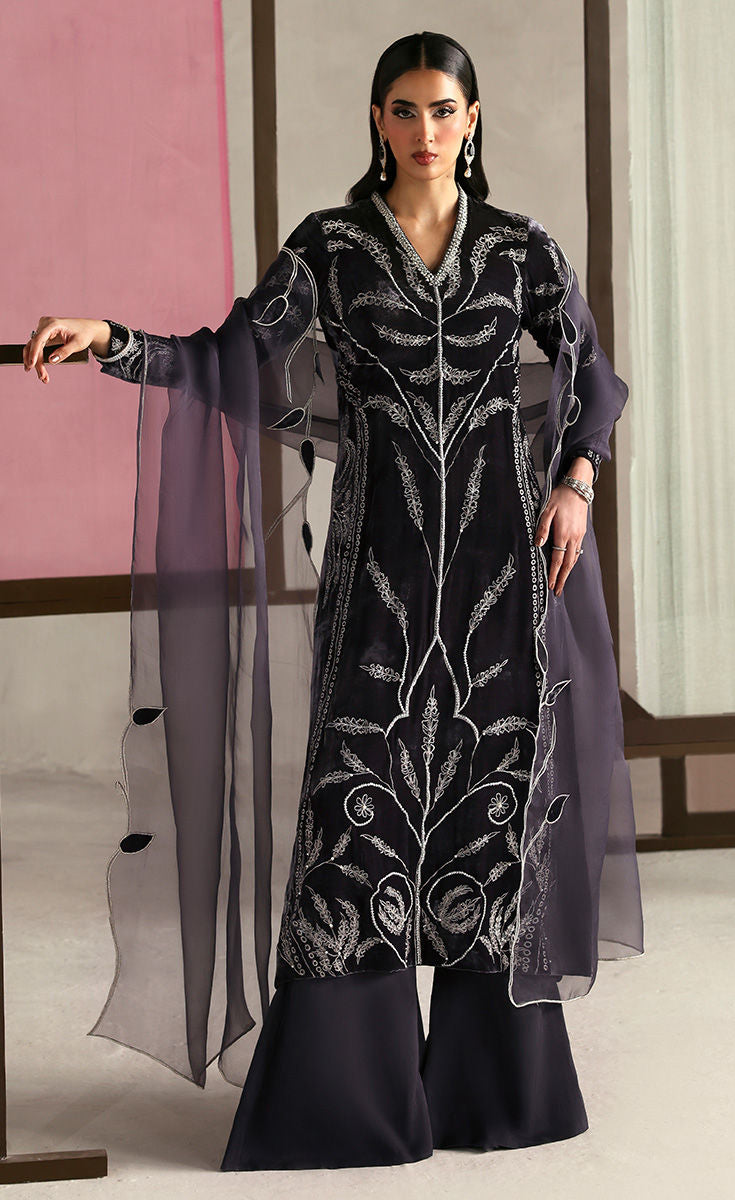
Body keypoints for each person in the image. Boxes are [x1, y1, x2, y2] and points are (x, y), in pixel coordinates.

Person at [24, 30, 643, 1172]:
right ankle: (348, 1102)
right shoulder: (331, 248)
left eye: (443, 110)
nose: (424, 131)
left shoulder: (521, 251)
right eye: (404, 110)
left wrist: (578, 481)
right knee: (357, 814)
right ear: (376, 120)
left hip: (501, 581)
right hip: (378, 578)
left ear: (472, 120)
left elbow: (593, 383)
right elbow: (226, 357)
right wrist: (110, 339)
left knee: (493, 804)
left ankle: (490, 1096)